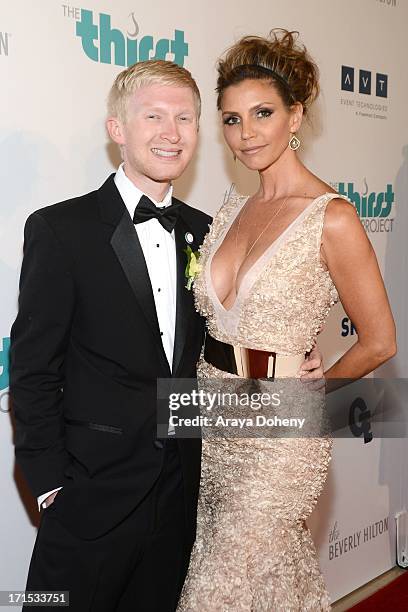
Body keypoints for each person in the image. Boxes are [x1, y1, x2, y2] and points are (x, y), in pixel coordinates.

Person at [10, 59, 323, 612]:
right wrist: (50, 484)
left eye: (185, 118)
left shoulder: (207, 232)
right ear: (117, 129)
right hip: (90, 494)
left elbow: (219, 345)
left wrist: (288, 365)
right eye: (153, 116)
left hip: (181, 493)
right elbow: (34, 369)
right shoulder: (60, 229)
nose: (171, 133)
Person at [177, 30, 396, 611]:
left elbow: (379, 340)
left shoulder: (334, 217)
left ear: (296, 114)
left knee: (217, 590)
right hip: (212, 415)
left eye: (263, 113)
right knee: (270, 580)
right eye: (230, 119)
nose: (245, 132)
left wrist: (315, 388)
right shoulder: (230, 209)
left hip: (281, 434)